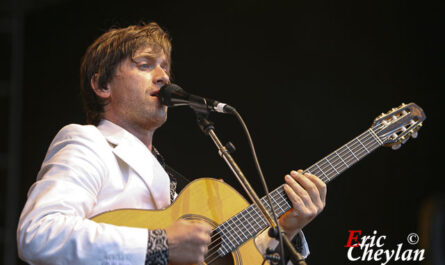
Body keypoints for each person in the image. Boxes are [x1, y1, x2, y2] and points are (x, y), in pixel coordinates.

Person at [17, 22, 327, 265]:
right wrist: (161, 244)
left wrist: (285, 229)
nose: (163, 76)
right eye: (145, 64)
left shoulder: (167, 178)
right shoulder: (88, 142)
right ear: (102, 85)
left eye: (165, 66)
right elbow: (39, 235)